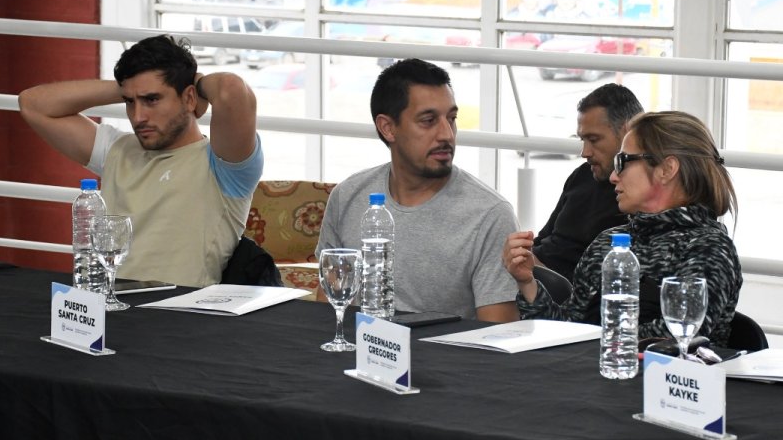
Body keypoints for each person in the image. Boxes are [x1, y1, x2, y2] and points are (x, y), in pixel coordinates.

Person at [18, 35, 262, 288]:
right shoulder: (116, 149)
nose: (138, 116)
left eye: (152, 99)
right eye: (129, 102)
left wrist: (195, 83)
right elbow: (32, 104)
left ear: (189, 99)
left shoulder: (224, 165)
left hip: (179, 309)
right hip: (106, 304)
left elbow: (231, 89)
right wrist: (130, 86)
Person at [503, 111, 742, 346]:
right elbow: (568, 330)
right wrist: (528, 283)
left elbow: (677, 337)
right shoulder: (608, 241)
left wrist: (594, 336)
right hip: (591, 369)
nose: (613, 177)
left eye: (622, 162)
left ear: (666, 169)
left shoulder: (709, 248)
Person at [318, 58, 519, 322]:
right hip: (356, 345)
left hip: (444, 350)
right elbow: (326, 314)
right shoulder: (348, 196)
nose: (447, 135)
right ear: (388, 128)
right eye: (428, 121)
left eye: (452, 119)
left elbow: (497, 334)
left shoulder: (490, 214)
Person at [531, 83, 644, 278]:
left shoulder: (640, 198)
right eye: (582, 140)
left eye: (594, 139)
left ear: (628, 132)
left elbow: (596, 282)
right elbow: (543, 240)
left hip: (557, 288)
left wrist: (533, 271)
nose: (585, 152)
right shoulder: (582, 175)